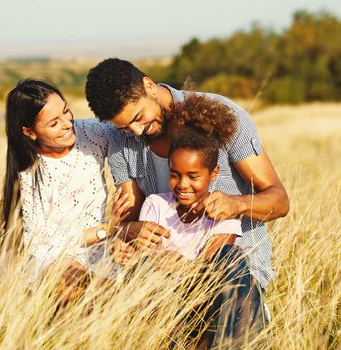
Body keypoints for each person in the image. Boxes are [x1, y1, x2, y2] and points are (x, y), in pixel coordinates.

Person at [85, 58, 289, 311]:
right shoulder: (121, 142)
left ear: (149, 85)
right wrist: (125, 236)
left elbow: (279, 201)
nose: (137, 132)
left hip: (233, 268)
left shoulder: (223, 114)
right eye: (126, 127)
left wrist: (236, 204)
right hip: (162, 276)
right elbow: (131, 221)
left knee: (228, 281)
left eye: (139, 118)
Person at [138, 94, 264, 346]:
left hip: (211, 299)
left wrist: (179, 264)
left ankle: (224, 343)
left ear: (213, 173)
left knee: (232, 258)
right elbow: (148, 260)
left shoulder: (223, 210)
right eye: (175, 174)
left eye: (193, 176)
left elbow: (213, 267)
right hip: (169, 300)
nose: (182, 185)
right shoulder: (156, 204)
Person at [2, 79, 127, 300]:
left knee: (109, 295)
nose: (68, 124)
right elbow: (41, 244)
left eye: (66, 111)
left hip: (100, 252)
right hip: (53, 258)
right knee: (69, 285)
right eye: (53, 124)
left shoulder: (90, 133)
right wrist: (107, 229)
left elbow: (128, 132)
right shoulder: (28, 173)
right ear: (29, 132)